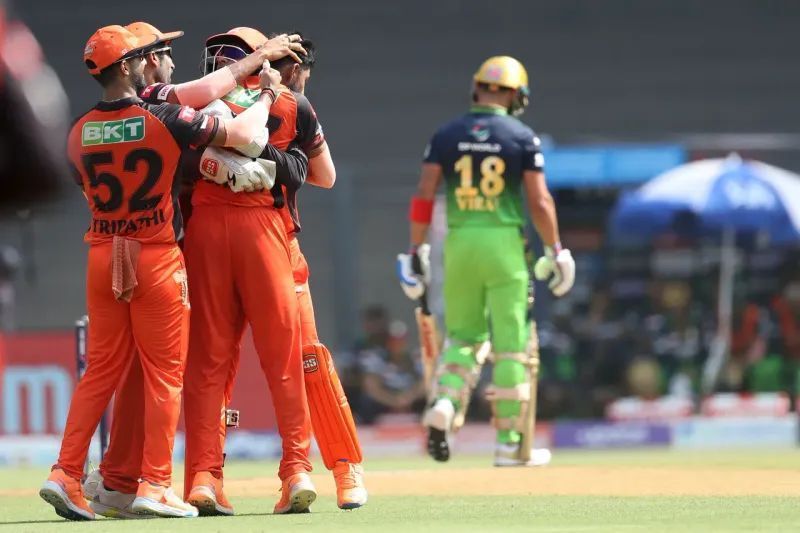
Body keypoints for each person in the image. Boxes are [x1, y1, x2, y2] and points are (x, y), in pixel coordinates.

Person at [39, 24, 282, 521]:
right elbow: (243, 135)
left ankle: (64, 474)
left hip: (104, 253)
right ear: (129, 67)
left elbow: (82, 184)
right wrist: (271, 93)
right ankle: (156, 483)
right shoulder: (164, 117)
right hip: (155, 256)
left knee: (99, 372)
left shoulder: (78, 130)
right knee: (164, 374)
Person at [397, 56, 575, 466]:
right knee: (512, 347)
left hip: (458, 243)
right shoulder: (522, 137)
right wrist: (557, 250)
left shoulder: (446, 135)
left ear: (477, 89)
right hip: (503, 245)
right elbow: (539, 200)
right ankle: (511, 445)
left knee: (463, 337)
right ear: (516, 95)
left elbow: (425, 194)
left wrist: (416, 250)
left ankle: (444, 402)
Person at [180, 26, 315, 516]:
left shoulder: (187, 106)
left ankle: (202, 478)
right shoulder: (289, 104)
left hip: (206, 230)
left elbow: (178, 166)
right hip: (264, 230)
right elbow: (313, 172)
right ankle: (297, 469)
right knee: (283, 358)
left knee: (208, 363)